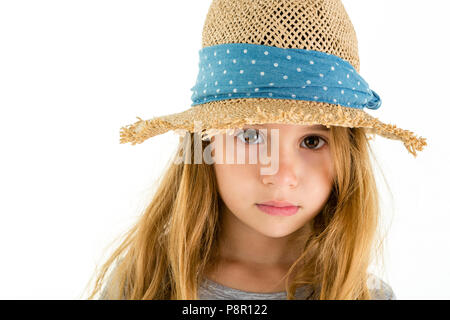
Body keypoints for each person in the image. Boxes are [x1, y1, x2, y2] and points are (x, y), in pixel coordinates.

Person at [86, 0, 426, 300]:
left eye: (312, 141)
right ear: (206, 142)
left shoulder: (363, 296)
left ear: (348, 156)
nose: (281, 176)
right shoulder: (144, 283)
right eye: (250, 136)